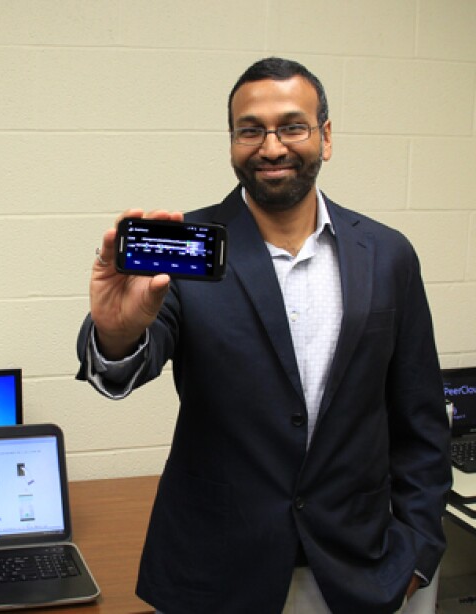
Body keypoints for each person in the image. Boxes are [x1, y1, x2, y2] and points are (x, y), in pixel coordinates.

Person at [77, 57, 450, 613]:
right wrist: (116, 333)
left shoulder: (387, 253)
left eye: (292, 127)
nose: (271, 147)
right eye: (250, 130)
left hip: (358, 568)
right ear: (232, 142)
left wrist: (418, 552)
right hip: (216, 573)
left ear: (325, 136)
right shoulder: (190, 248)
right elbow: (128, 364)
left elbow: (421, 420)